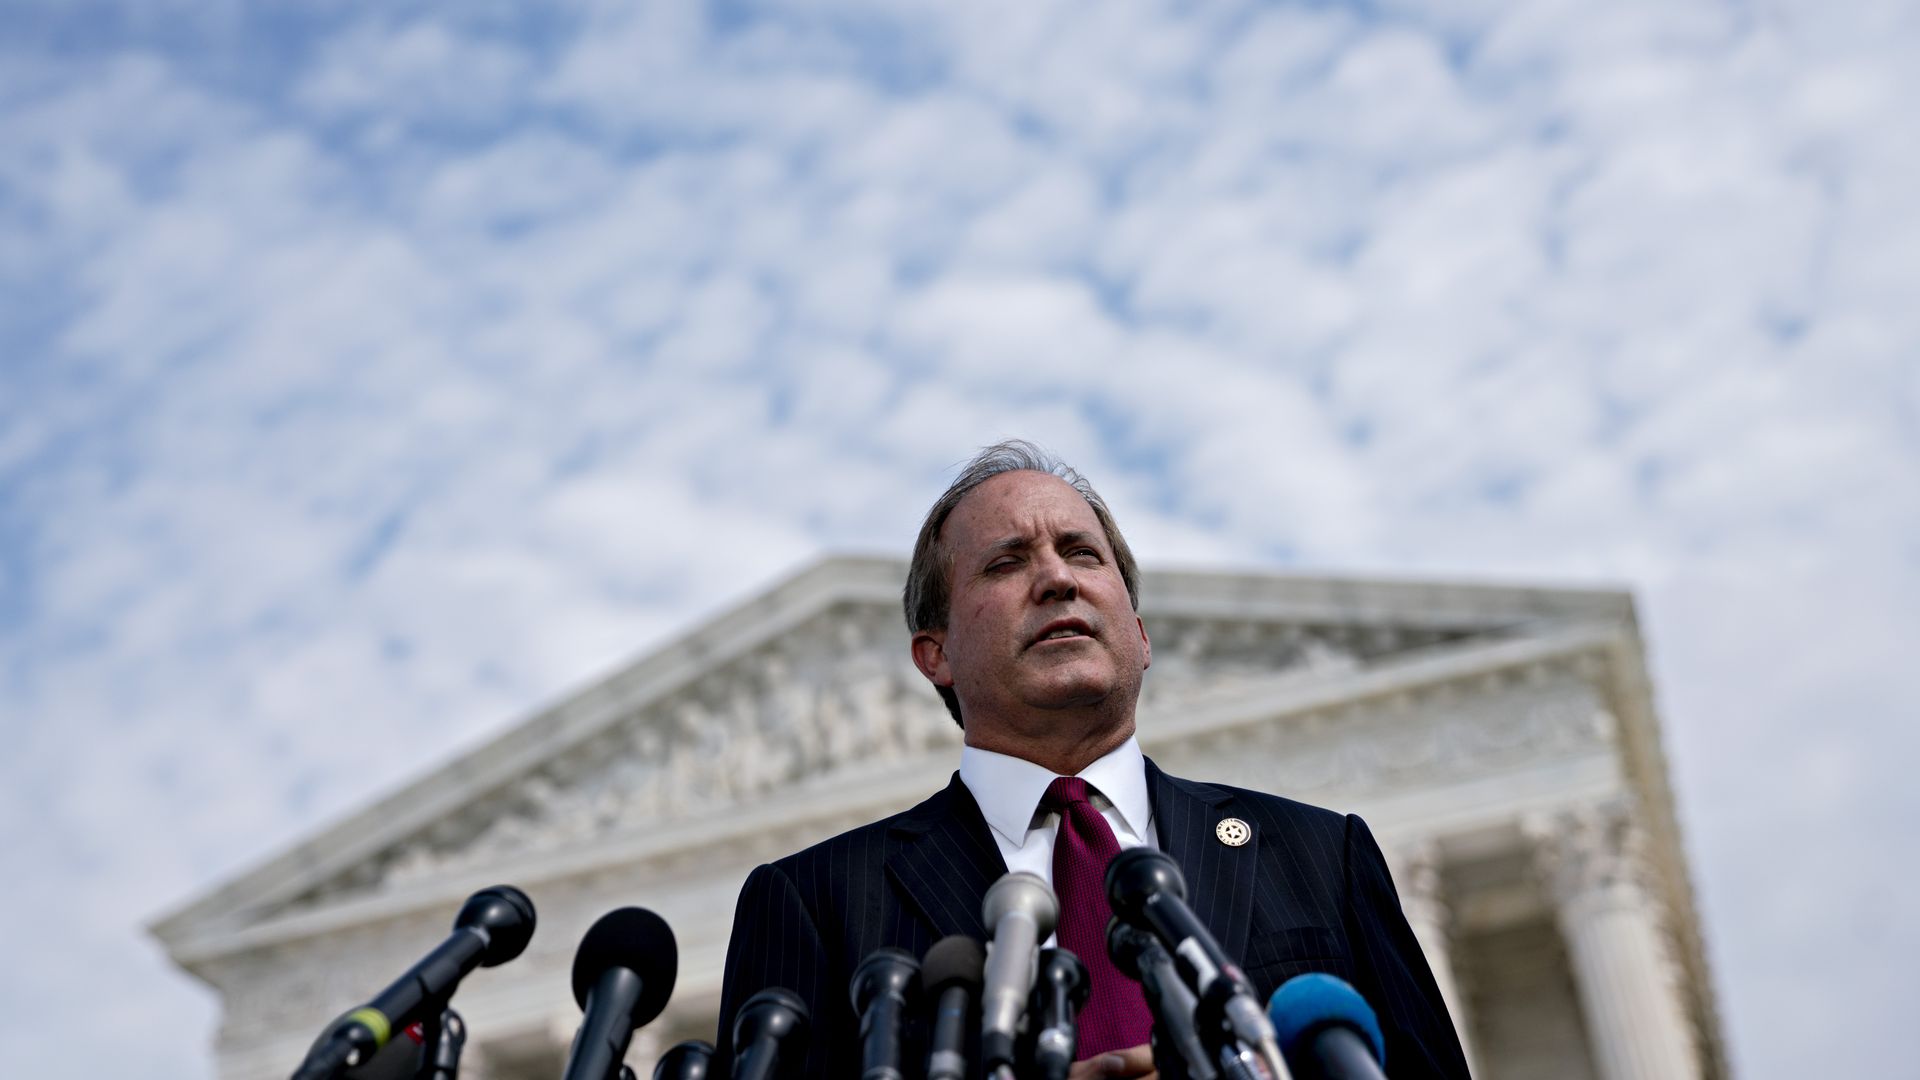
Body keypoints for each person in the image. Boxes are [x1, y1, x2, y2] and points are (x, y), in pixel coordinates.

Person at [715, 441, 1471, 1079]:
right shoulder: (814, 901)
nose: (1057, 577)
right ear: (934, 653)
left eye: (1081, 552)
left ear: (1140, 634)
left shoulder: (1319, 857)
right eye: (1007, 562)